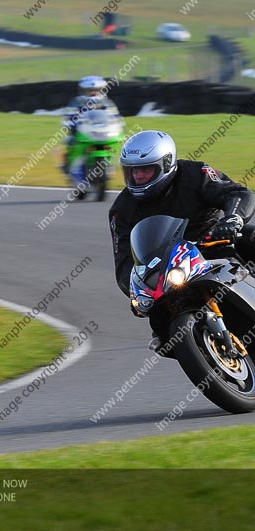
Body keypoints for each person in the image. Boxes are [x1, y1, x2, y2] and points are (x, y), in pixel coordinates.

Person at [108, 130, 255, 350]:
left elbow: (237, 194)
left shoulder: (195, 174)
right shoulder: (121, 210)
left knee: (251, 237)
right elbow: (123, 262)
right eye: (131, 172)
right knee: (160, 329)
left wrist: (233, 218)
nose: (137, 178)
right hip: (167, 271)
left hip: (213, 244)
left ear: (166, 164)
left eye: (145, 170)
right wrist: (135, 289)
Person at [61, 76, 121, 175]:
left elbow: (116, 116)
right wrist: (70, 124)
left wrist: (119, 124)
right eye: (90, 91)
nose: (94, 93)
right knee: (69, 140)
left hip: (102, 131)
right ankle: (68, 164)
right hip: (83, 131)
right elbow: (68, 116)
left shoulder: (107, 103)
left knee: (117, 142)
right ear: (83, 91)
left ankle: (110, 164)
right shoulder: (76, 103)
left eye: (97, 91)